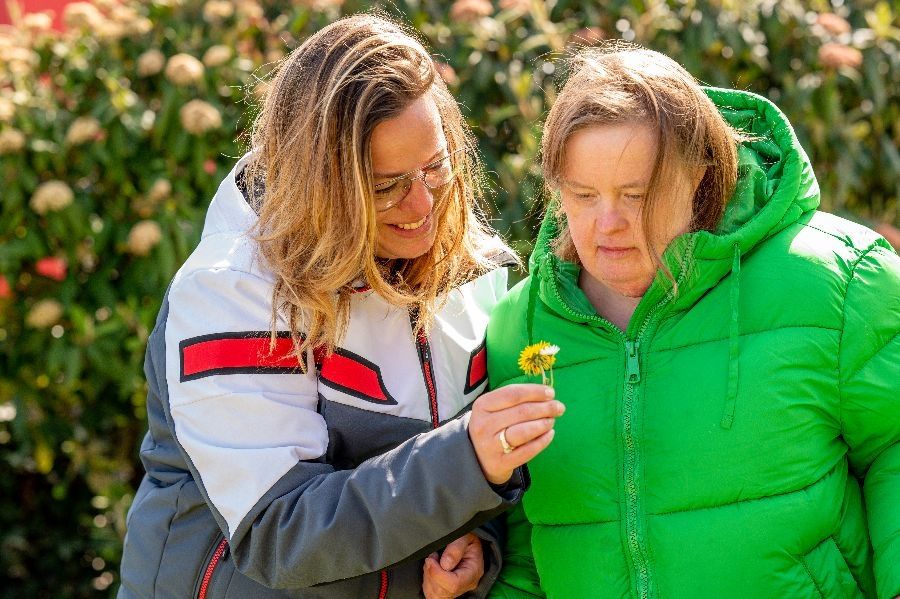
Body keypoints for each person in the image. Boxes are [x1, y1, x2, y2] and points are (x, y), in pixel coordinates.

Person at [118, 14, 565, 599]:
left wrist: (476, 548)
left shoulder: (479, 271)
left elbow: (458, 488)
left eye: (436, 166)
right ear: (317, 180)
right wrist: (466, 461)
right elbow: (280, 533)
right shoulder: (231, 289)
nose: (423, 203)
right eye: (384, 185)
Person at [486, 46, 900, 598]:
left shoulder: (838, 281)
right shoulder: (520, 327)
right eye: (582, 196)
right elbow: (524, 540)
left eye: (637, 195)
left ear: (699, 173)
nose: (608, 223)